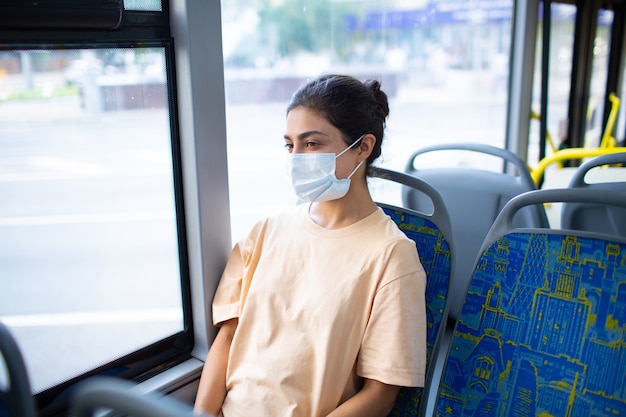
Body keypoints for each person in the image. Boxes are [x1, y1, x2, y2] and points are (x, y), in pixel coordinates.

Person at [194, 74, 426, 417]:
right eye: (290, 145)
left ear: (362, 147)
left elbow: (380, 394)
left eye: (312, 144)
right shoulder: (265, 230)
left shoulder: (391, 255)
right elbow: (227, 340)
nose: (297, 158)